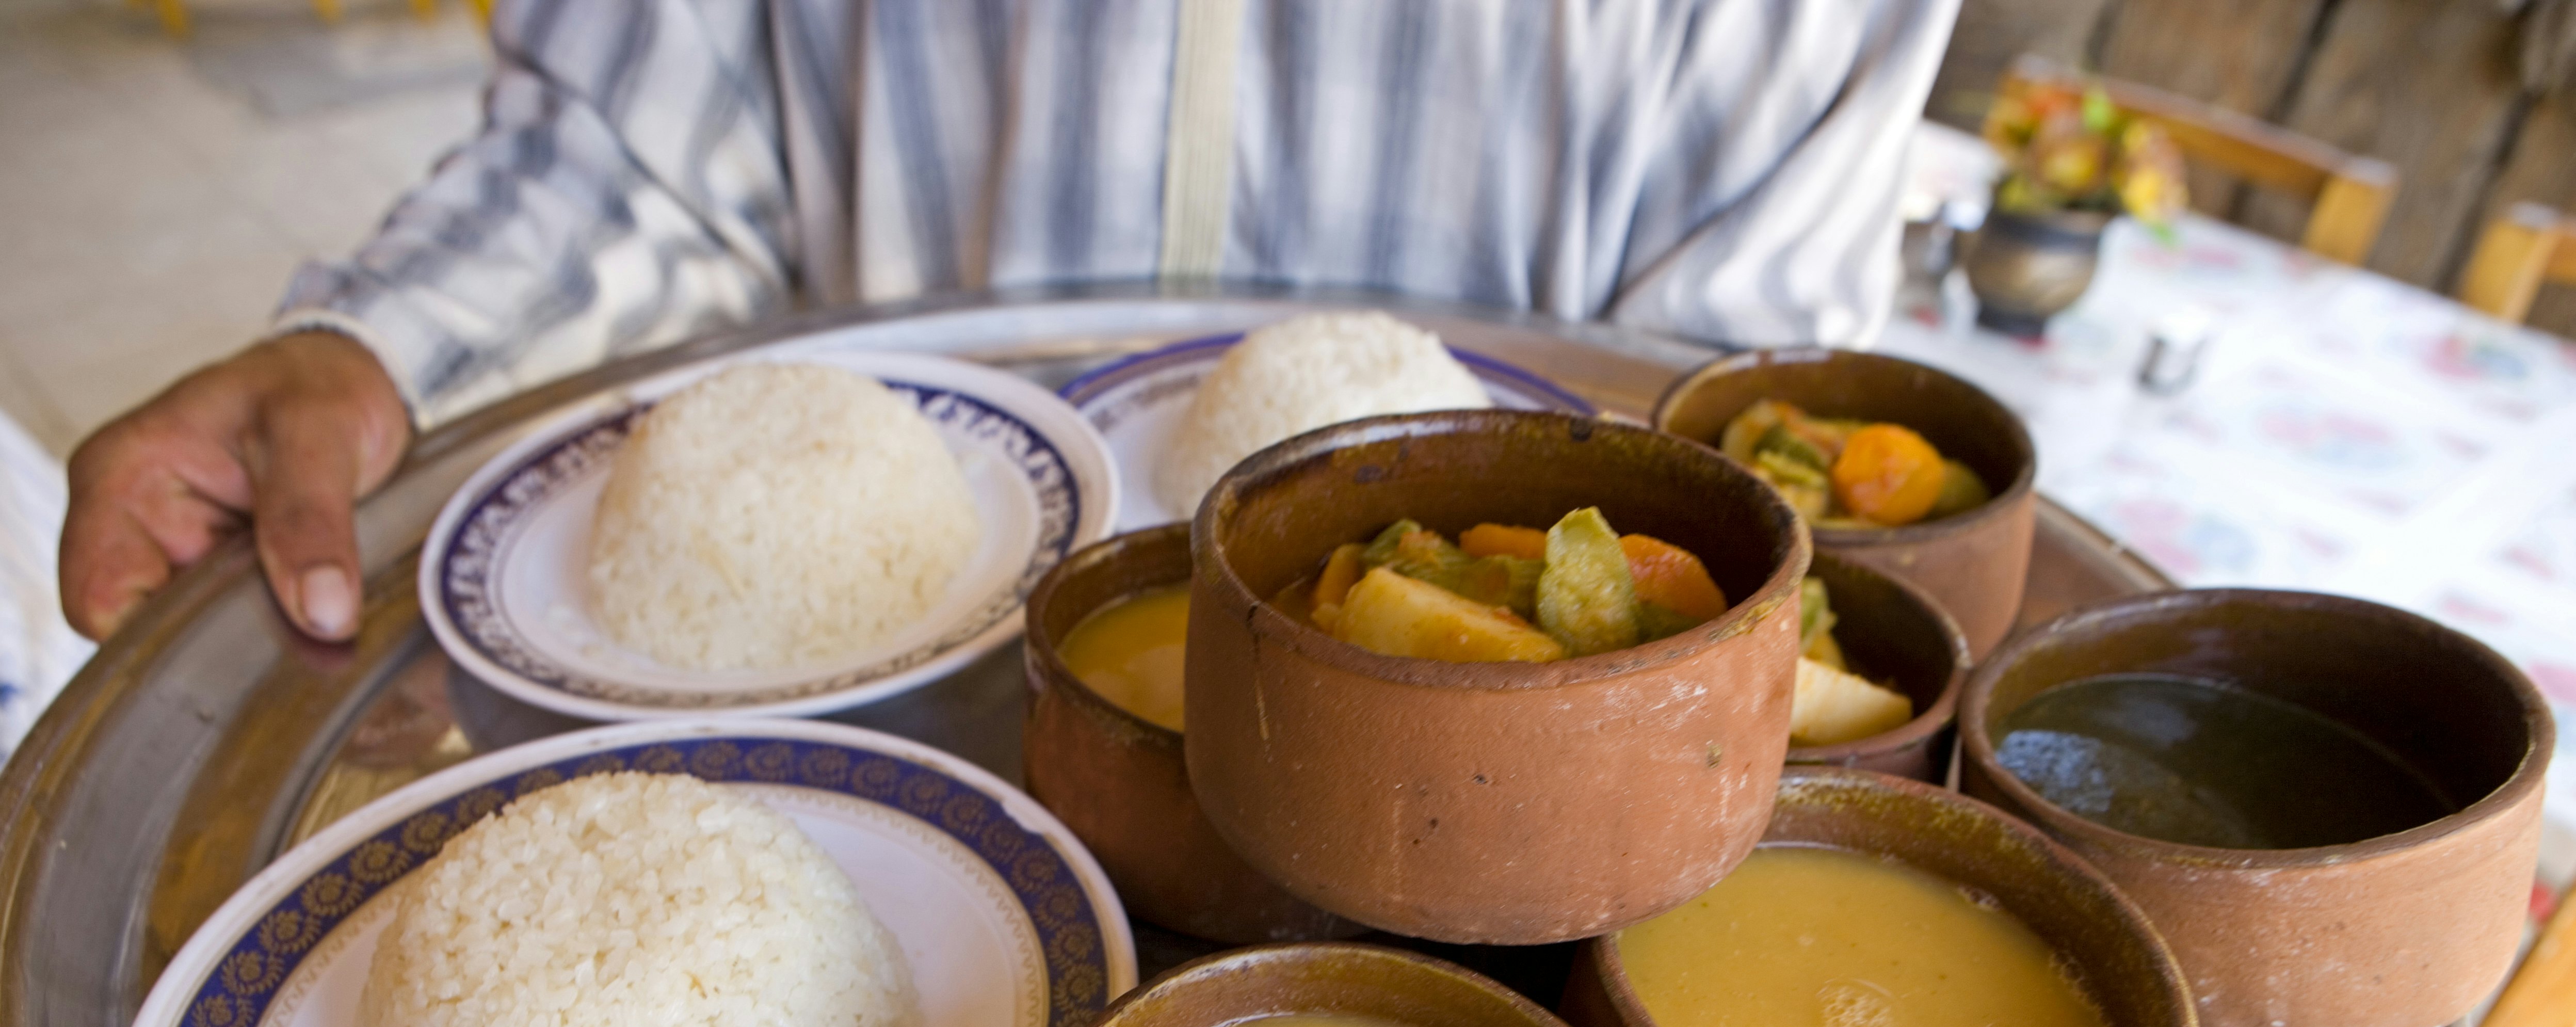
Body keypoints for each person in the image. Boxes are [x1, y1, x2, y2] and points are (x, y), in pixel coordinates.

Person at [58, 0, 1957, 645]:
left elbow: (1723, 413)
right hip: (877, 675)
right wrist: (384, 344)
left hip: (1503, 820)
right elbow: (644, 150)